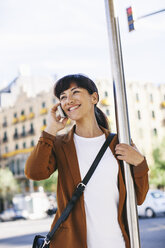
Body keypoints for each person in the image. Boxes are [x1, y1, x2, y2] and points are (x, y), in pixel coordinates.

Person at [25, 74, 149, 248]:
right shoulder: (61, 145)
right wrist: (51, 130)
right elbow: (34, 172)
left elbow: (138, 198)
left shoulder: (119, 143)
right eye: (63, 97)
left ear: (94, 97)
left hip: (117, 243)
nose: (68, 100)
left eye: (75, 92)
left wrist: (140, 163)